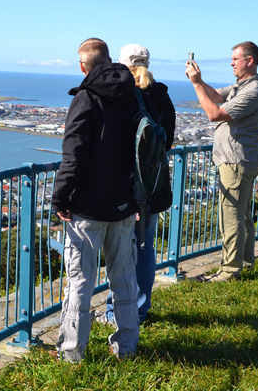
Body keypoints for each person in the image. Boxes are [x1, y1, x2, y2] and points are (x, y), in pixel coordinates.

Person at [52, 37, 142, 362]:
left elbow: (73, 157)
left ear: (82, 66)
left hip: (88, 208)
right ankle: (127, 347)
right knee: (124, 279)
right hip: (124, 204)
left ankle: (72, 353)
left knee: (79, 282)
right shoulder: (133, 96)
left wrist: (59, 198)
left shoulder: (86, 99)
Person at [99, 44, 176, 324]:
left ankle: (115, 311)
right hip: (153, 184)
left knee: (120, 250)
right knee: (145, 248)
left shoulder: (122, 95)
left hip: (124, 186)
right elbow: (166, 142)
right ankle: (139, 310)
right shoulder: (161, 95)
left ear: (120, 64)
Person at [185, 41, 258, 282]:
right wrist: (198, 81)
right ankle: (245, 262)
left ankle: (230, 271)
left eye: (235, 58)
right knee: (241, 216)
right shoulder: (241, 86)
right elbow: (214, 95)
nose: (231, 62)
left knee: (230, 216)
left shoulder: (253, 91)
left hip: (237, 161)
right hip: (239, 160)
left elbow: (214, 113)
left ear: (249, 61)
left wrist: (194, 83)